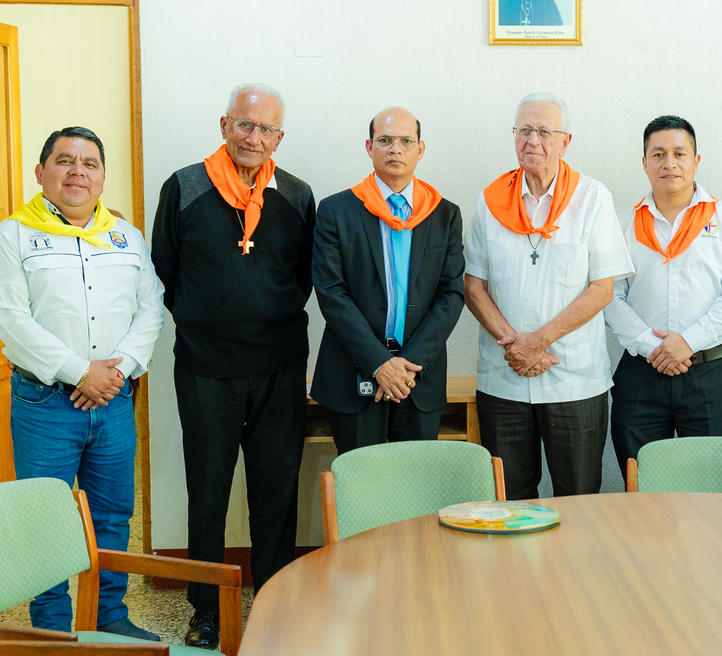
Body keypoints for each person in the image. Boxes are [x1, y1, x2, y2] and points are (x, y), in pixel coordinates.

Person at [151, 84, 315, 649]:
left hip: (280, 370)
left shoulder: (296, 195)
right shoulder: (184, 187)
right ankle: (206, 612)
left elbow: (301, 280)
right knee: (208, 494)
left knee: (276, 493)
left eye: (266, 129)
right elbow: (164, 273)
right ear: (224, 125)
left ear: (279, 138)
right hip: (205, 370)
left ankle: (274, 602)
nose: (254, 138)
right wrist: (208, 323)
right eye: (244, 125)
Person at [0, 127, 163, 640]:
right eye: (65, 160)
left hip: (113, 400)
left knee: (114, 515)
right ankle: (52, 628)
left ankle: (109, 617)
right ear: (41, 172)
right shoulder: (13, 234)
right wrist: (80, 372)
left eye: (89, 163)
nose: (77, 171)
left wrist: (118, 370)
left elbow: (150, 305)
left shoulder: (125, 235)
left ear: (102, 177)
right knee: (47, 518)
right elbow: (10, 318)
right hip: (46, 401)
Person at [464, 92, 633, 500]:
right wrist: (516, 345)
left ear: (565, 141)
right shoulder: (491, 200)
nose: (532, 141)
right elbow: (473, 286)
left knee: (577, 500)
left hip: (574, 382)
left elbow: (602, 288)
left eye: (544, 131)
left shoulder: (593, 198)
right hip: (504, 380)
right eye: (524, 131)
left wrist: (537, 343)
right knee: (510, 503)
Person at [604, 115, 722, 477]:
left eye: (679, 153)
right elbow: (609, 296)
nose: (669, 163)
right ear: (644, 163)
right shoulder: (623, 223)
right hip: (641, 373)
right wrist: (652, 348)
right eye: (658, 154)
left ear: (696, 160)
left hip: (709, 375)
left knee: (708, 486)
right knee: (641, 480)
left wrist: (687, 342)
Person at [310, 107, 465, 453]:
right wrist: (379, 363)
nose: (395, 149)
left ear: (420, 149)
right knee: (359, 491)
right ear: (369, 147)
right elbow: (332, 293)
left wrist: (405, 367)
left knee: (415, 494)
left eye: (406, 141)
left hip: (417, 377)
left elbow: (452, 294)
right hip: (353, 373)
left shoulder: (444, 214)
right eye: (385, 140)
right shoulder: (336, 211)